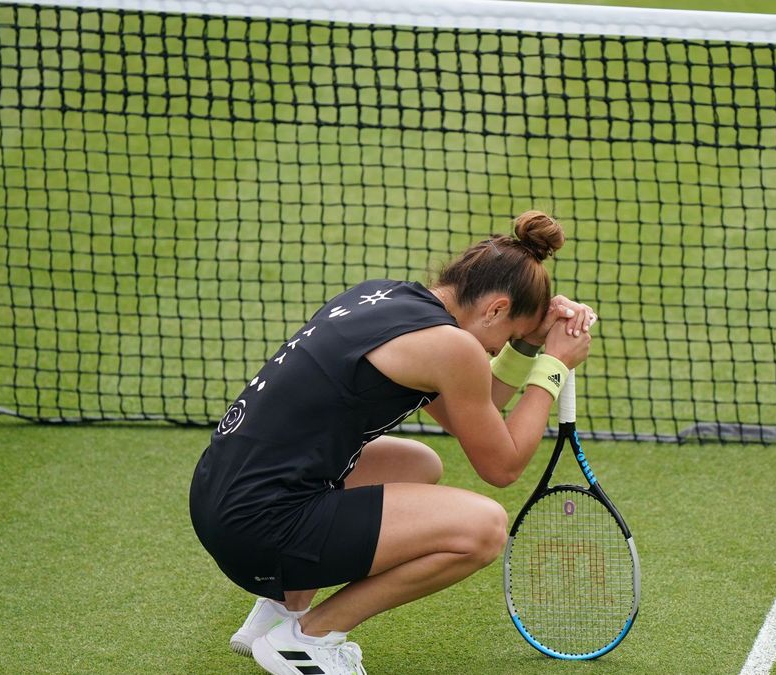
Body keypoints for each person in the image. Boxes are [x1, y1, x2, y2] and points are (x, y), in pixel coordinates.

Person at [189, 211, 595, 675]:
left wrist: (527, 347)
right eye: (507, 336)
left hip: (218, 499)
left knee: (416, 463)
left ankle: (280, 611)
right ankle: (308, 640)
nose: (495, 350)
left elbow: (470, 409)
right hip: (259, 528)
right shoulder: (453, 348)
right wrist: (555, 365)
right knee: (482, 529)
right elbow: (502, 466)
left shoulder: (382, 297)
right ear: (496, 308)